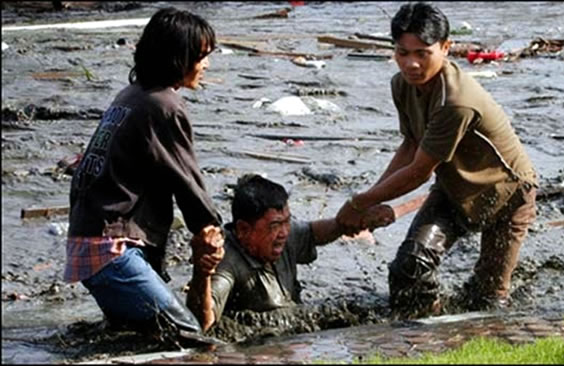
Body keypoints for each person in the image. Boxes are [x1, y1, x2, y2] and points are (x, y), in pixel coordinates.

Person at [336, 2, 538, 314]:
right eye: (402, 53)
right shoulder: (401, 85)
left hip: (507, 193)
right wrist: (371, 203)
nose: (411, 64)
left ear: (446, 48)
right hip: (454, 188)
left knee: (489, 300)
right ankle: (423, 333)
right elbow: (410, 146)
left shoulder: (456, 101)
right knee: (410, 266)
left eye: (422, 53)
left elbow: (418, 171)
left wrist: (358, 203)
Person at [63, 7, 225, 337]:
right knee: (189, 338)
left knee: (137, 337)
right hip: (111, 250)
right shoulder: (163, 105)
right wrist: (210, 228)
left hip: (87, 241)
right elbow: (187, 180)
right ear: (179, 58)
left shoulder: (131, 96)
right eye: (201, 56)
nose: (206, 64)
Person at [187, 174, 395, 333]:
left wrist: (354, 221)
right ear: (243, 230)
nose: (284, 232)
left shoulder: (285, 234)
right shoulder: (226, 261)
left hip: (291, 318)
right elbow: (203, 325)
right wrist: (202, 274)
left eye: (287, 221)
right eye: (275, 225)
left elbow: (315, 234)